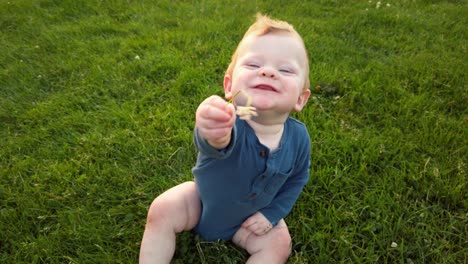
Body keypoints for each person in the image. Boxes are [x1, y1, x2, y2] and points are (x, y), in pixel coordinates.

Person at [139, 13, 311, 264]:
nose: (267, 72)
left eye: (285, 69)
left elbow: (297, 179)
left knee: (279, 243)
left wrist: (271, 214)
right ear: (229, 85)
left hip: (250, 220)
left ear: (300, 99)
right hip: (200, 205)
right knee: (163, 209)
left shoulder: (299, 139)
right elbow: (215, 143)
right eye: (253, 65)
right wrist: (211, 129)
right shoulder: (228, 122)